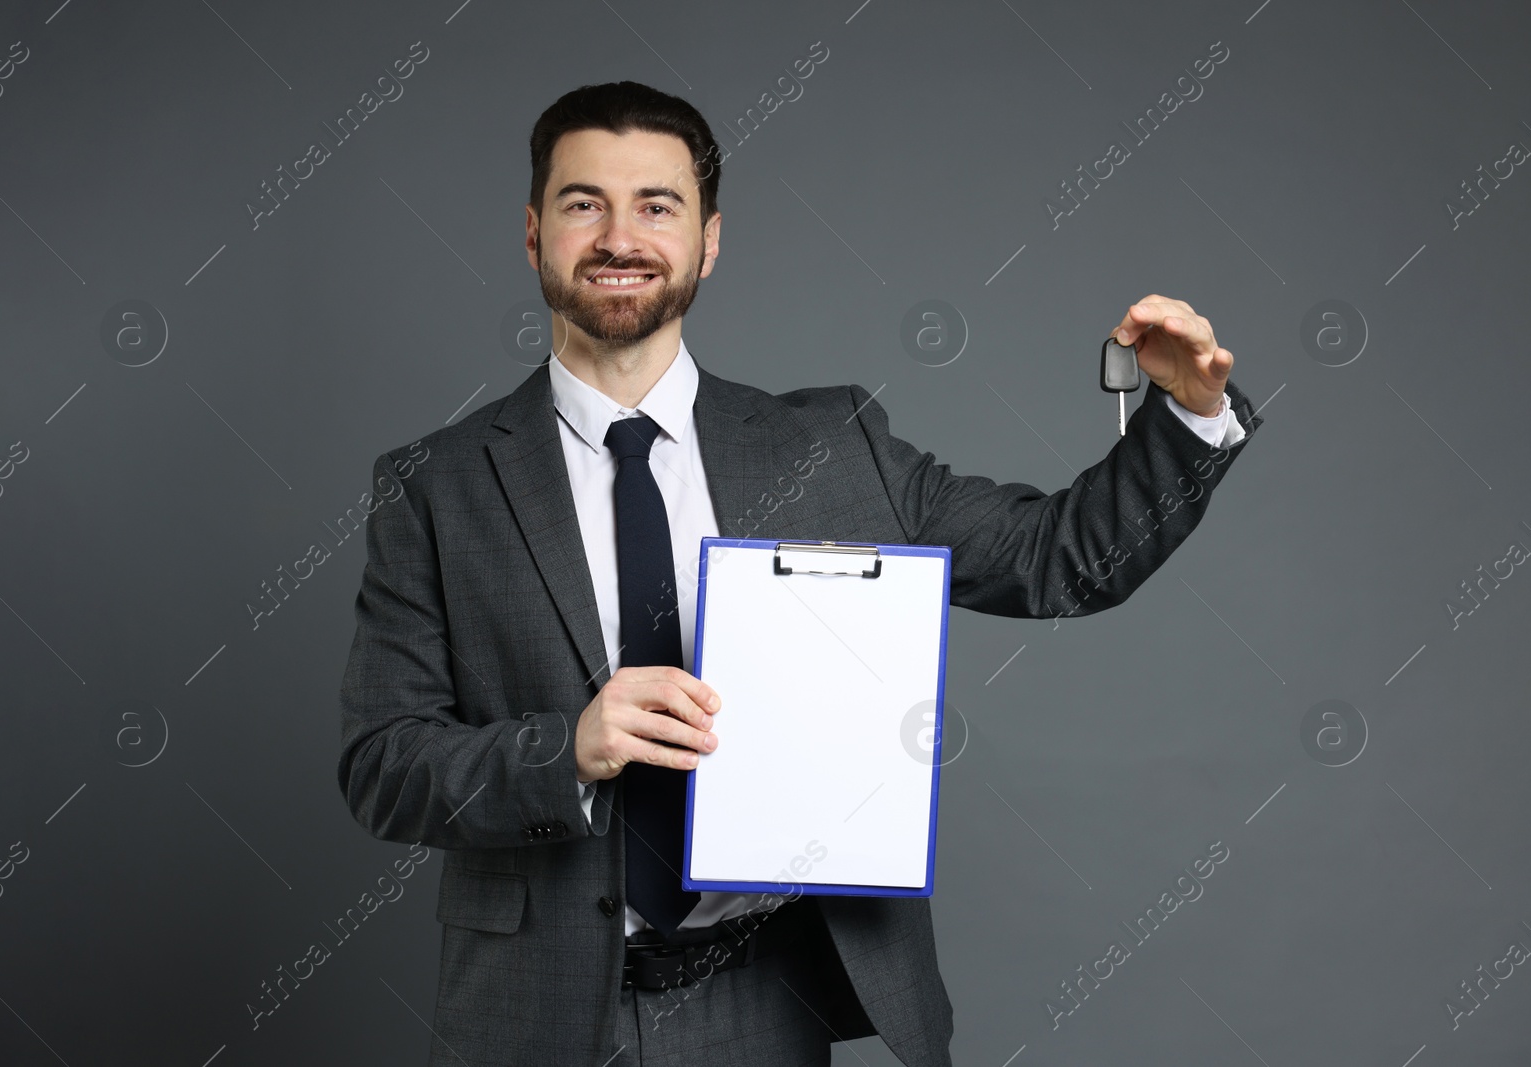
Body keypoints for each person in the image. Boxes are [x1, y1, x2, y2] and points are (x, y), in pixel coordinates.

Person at [337, 80, 1262, 1067]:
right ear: (533, 234)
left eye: (656, 204)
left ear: (709, 239)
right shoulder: (435, 484)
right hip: (535, 1020)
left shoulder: (832, 446)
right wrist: (565, 747)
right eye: (582, 204)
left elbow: (1056, 561)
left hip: (764, 1009)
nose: (619, 235)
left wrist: (1187, 415)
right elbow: (382, 765)